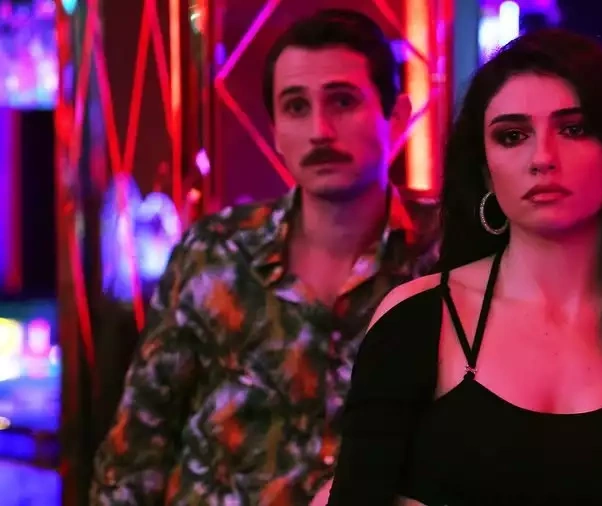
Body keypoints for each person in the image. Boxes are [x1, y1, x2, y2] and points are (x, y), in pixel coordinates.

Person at [326, 28, 602, 506]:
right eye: (512, 136)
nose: (542, 158)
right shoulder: (419, 318)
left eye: (573, 129)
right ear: (485, 171)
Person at [91, 9, 438, 505]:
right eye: (296, 107)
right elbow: (135, 448)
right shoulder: (216, 252)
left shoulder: (445, 253)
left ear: (397, 116)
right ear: (275, 130)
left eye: (342, 101)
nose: (320, 130)